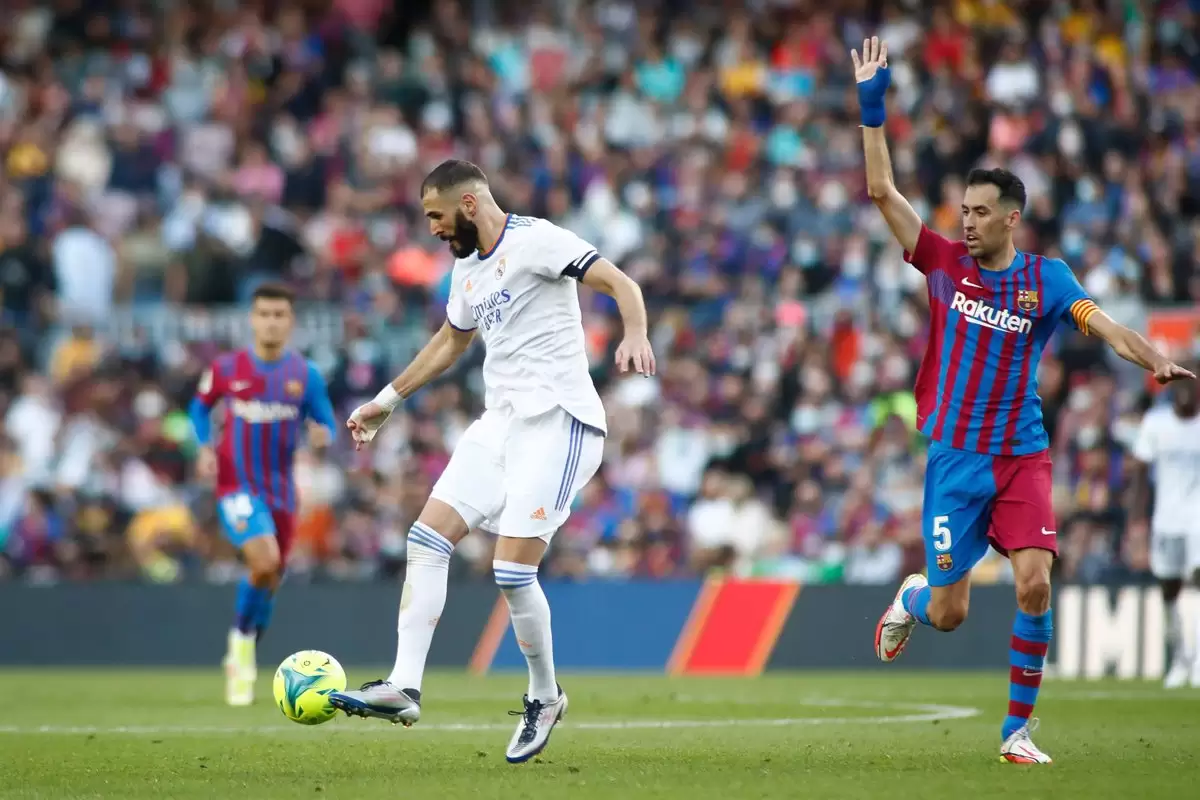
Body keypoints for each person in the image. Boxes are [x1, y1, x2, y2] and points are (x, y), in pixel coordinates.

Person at [854, 37, 1196, 764]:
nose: (967, 221)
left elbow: (1104, 326)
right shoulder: (942, 262)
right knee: (949, 612)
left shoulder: (1048, 280)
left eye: (981, 212)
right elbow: (882, 192)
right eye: (964, 210)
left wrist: (1155, 359)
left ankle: (1015, 733)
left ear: (1011, 218)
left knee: (1036, 584)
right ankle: (912, 599)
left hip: (1021, 455)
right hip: (956, 459)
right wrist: (871, 109)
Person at [327, 159, 655, 764]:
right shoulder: (466, 269)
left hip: (559, 422)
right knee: (426, 539)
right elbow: (451, 341)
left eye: (436, 215)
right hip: (500, 424)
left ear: (469, 204)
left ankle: (545, 696)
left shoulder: (537, 240)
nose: (431, 228)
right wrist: (386, 401)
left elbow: (620, 283)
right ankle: (403, 686)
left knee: (511, 572)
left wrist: (634, 331)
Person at [189, 283, 337, 706]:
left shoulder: (305, 375)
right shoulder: (226, 368)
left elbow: (326, 421)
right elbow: (199, 407)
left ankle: (245, 650)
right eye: (264, 314)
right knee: (264, 560)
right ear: (252, 320)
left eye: (279, 314)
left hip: (282, 492)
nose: (271, 322)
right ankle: (239, 646)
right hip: (236, 486)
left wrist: (322, 434)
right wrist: (203, 447)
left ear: (290, 321)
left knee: (270, 578)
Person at [1130, 367, 1200, 688]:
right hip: (1165, 519)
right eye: (1180, 385)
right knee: (1169, 589)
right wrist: (1136, 521)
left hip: (1196, 518)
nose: (1185, 391)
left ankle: (1197, 659)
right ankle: (1180, 658)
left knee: (1197, 580)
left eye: (1191, 385)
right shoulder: (1156, 423)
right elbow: (1140, 475)